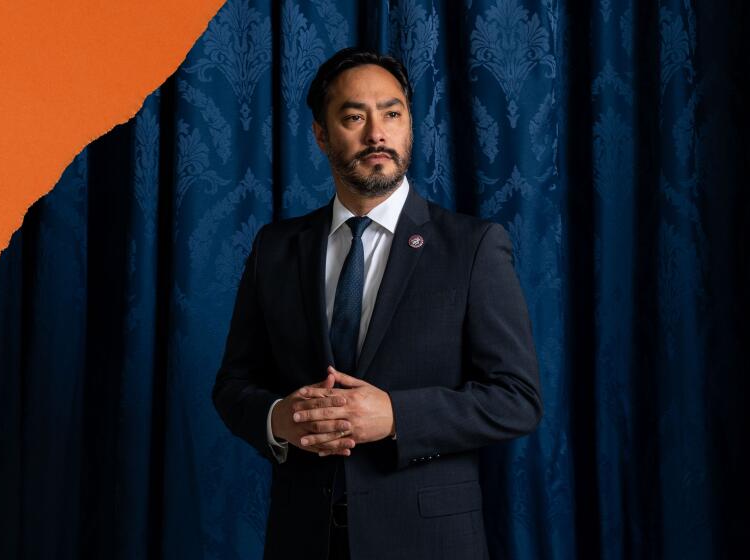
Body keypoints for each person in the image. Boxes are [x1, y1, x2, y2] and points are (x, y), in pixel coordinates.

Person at [213, 47, 542, 560]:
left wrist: (395, 416)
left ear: (410, 124)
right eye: (353, 117)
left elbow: (517, 399)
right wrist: (279, 419)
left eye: (392, 113)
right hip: (302, 540)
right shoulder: (275, 248)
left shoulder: (472, 247)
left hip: (429, 543)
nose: (376, 134)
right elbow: (233, 386)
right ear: (321, 135)